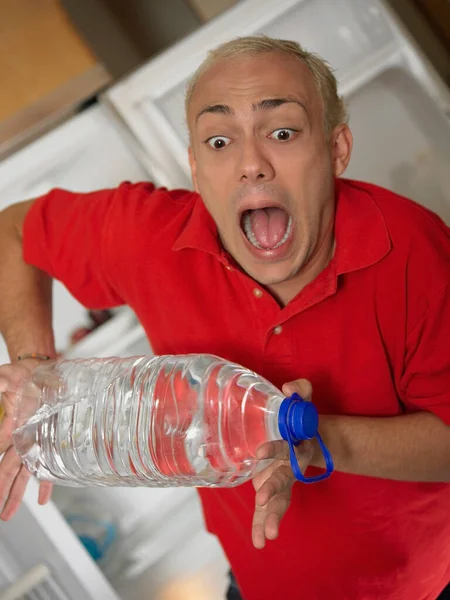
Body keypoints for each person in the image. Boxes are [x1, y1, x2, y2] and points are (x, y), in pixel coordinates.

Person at [0, 35, 449, 600]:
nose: (250, 164)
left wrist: (312, 438)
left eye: (282, 133)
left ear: (337, 148)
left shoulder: (419, 254)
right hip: (257, 583)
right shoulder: (149, 237)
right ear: (194, 165)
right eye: (219, 140)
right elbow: (13, 230)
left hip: (419, 584)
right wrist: (35, 367)